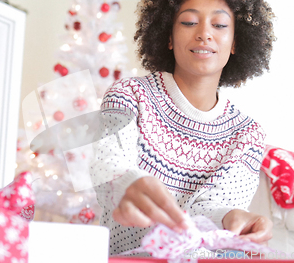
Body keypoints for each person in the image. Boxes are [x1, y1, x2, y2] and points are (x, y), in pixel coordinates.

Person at [89, 0, 276, 256]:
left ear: (235, 43)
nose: (204, 34)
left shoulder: (248, 135)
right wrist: (127, 184)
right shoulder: (129, 95)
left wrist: (231, 218)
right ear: (168, 37)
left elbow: (210, 209)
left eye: (219, 25)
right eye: (189, 22)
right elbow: (106, 166)